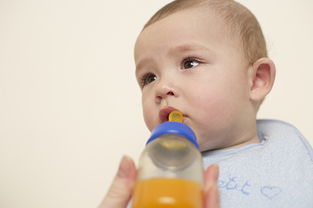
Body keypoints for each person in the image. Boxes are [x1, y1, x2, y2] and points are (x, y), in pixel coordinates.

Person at [99, 0, 313, 207]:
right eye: (149, 78)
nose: (162, 87)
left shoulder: (288, 145)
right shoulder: (160, 174)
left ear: (256, 80)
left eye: (189, 63)